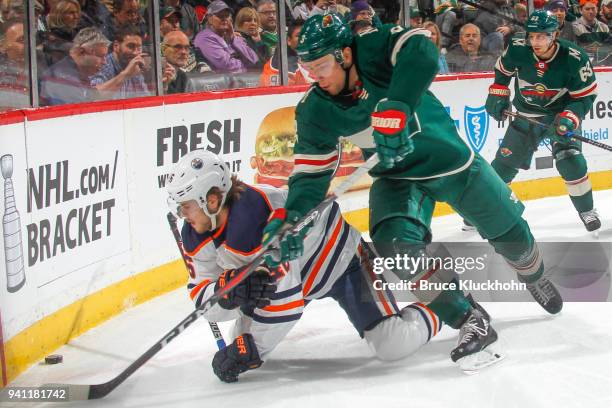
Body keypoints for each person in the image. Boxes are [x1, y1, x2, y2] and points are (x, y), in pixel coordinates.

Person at [261, 13, 563, 371]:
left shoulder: (370, 47)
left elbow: (420, 47)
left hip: (449, 160)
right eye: (308, 68)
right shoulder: (315, 110)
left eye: (322, 65)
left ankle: (533, 275)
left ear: (345, 54)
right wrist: (293, 216)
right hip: (396, 176)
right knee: (395, 247)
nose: (316, 77)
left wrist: (399, 104)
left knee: (512, 233)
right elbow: (310, 175)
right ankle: (466, 315)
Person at [165, 148, 448, 382]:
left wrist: (252, 351)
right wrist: (226, 294)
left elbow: (287, 306)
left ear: (211, 200)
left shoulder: (259, 220)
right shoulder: (197, 233)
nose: (181, 214)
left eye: (185, 206)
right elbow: (204, 297)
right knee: (237, 336)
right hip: (299, 276)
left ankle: (442, 301)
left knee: (392, 343)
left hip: (343, 264)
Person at [487, 10, 600, 233]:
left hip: (559, 116)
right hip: (526, 114)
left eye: (541, 36)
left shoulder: (574, 58)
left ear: (555, 34)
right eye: (532, 36)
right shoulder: (518, 47)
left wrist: (569, 118)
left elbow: (586, 96)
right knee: (503, 165)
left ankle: (587, 210)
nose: (535, 41)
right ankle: (485, 210)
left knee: (571, 160)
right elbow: (502, 72)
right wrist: (497, 93)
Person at [90, 25, 164, 99]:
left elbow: (145, 99)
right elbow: (93, 96)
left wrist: (164, 85)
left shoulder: (134, 67)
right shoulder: (103, 64)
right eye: (131, 46)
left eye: (139, 47)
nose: (135, 52)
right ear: (116, 46)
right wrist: (126, 74)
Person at [39, 27, 108, 105]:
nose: (105, 62)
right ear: (82, 52)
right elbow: (82, 112)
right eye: (101, 56)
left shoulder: (79, 72)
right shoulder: (64, 78)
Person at [193, 0, 258, 73]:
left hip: (242, 79)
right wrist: (247, 67)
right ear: (209, 18)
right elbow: (227, 66)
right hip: (218, 82)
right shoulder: (204, 38)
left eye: (227, 15)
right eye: (220, 16)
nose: (224, 19)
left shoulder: (232, 36)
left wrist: (233, 39)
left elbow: (254, 59)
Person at [40, 0, 82, 66]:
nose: (76, 16)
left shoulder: (76, 34)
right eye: (71, 13)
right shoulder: (53, 38)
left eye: (77, 12)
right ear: (60, 15)